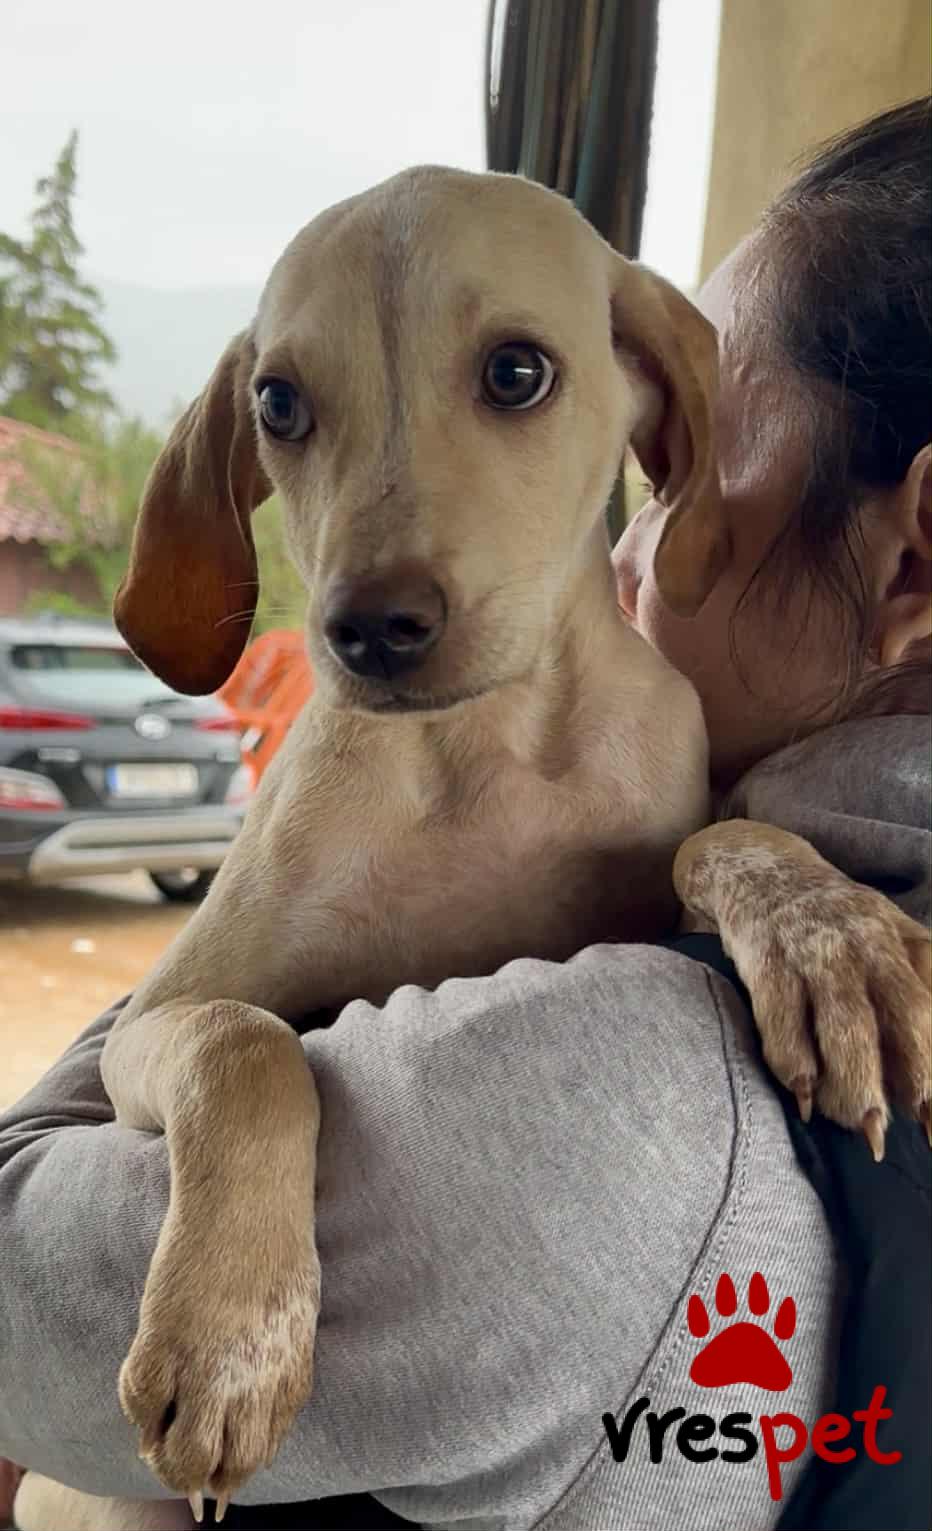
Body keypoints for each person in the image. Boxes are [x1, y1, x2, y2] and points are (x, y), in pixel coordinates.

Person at [1, 99, 929, 1531]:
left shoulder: (625, 1121)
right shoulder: (723, 788)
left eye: (514, 377)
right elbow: (164, 1030)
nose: (376, 573)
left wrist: (757, 868)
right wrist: (235, 1065)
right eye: (288, 413)